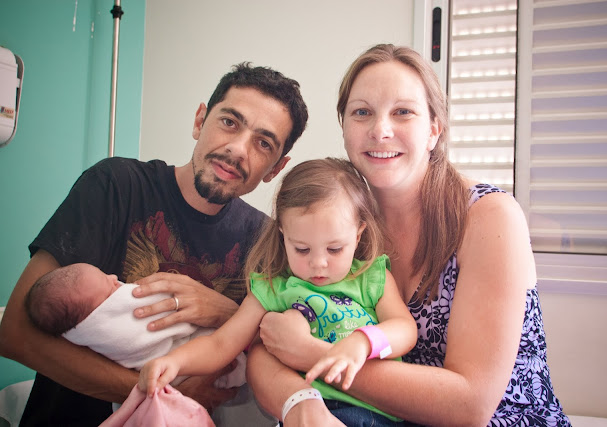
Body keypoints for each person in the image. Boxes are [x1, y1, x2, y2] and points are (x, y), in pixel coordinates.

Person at [247, 44, 572, 426]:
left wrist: (315, 355)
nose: (380, 130)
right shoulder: (341, 225)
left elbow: (470, 406)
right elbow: (268, 343)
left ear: (434, 129)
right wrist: (301, 404)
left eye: (403, 112)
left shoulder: (489, 217)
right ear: (344, 128)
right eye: (362, 112)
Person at [0, 62, 308, 426]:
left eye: (263, 143)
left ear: (276, 168)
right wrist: (162, 393)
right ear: (200, 121)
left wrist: (226, 313)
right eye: (229, 122)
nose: (238, 149)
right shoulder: (115, 185)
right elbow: (15, 333)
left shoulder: (269, 242)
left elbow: (285, 348)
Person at [137, 157, 418, 426]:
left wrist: (363, 342)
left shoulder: (370, 276)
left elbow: (405, 329)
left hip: (380, 413)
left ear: (358, 234)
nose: (318, 263)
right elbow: (221, 344)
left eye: (335, 249)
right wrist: (174, 362)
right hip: (311, 412)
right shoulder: (273, 287)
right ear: (283, 233)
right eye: (302, 249)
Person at [24, 263, 246, 397]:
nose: (114, 279)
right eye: (107, 284)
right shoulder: (110, 318)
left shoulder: (77, 331)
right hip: (181, 370)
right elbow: (169, 316)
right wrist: (166, 393)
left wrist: (226, 311)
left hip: (185, 371)